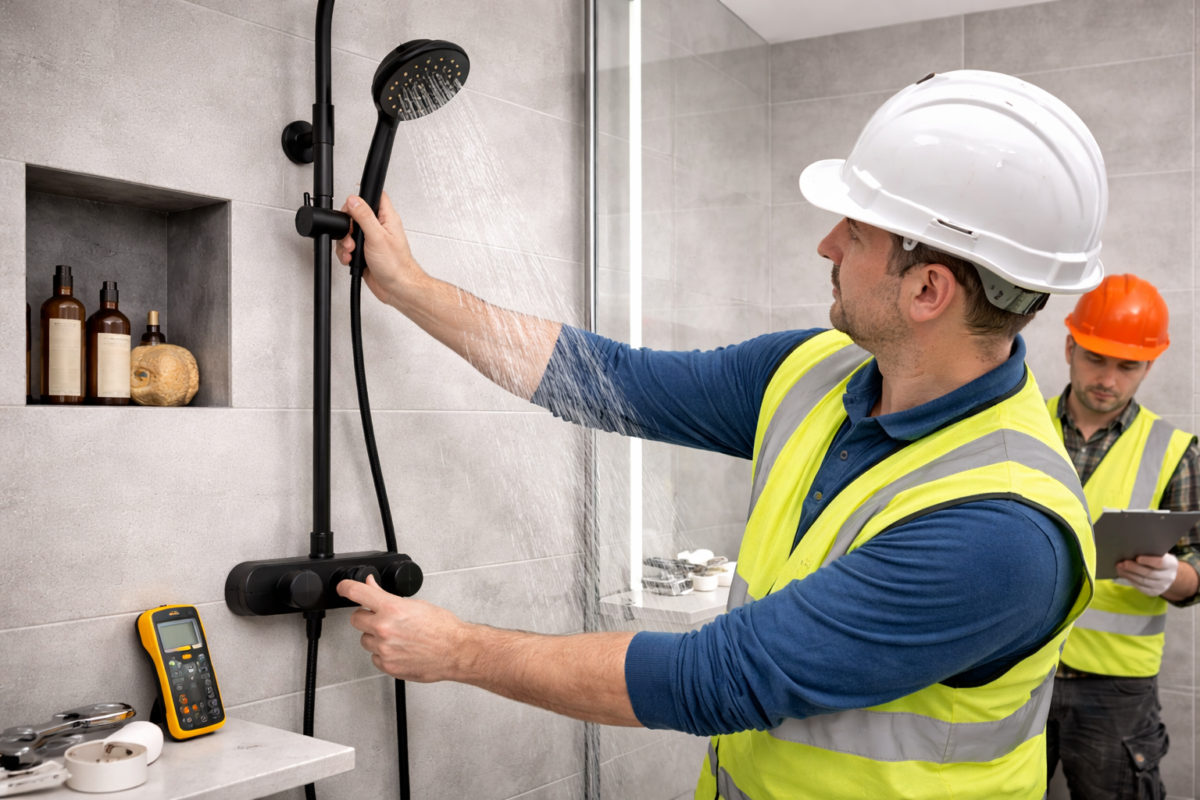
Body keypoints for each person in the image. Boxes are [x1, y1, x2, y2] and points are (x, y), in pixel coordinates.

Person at [334, 71, 1103, 799]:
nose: (827, 244)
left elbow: (715, 679)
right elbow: (610, 383)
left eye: (856, 232)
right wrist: (410, 287)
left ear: (927, 289)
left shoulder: (999, 532)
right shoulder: (816, 372)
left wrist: (459, 650)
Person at [1045, 274, 1200, 800]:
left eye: (1127, 365)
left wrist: (1174, 576)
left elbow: (1199, 566)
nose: (1107, 378)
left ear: (1149, 366)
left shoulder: (1174, 449)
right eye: (1095, 358)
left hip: (1115, 688)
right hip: (1018, 665)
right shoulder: (1018, 427)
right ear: (1070, 346)